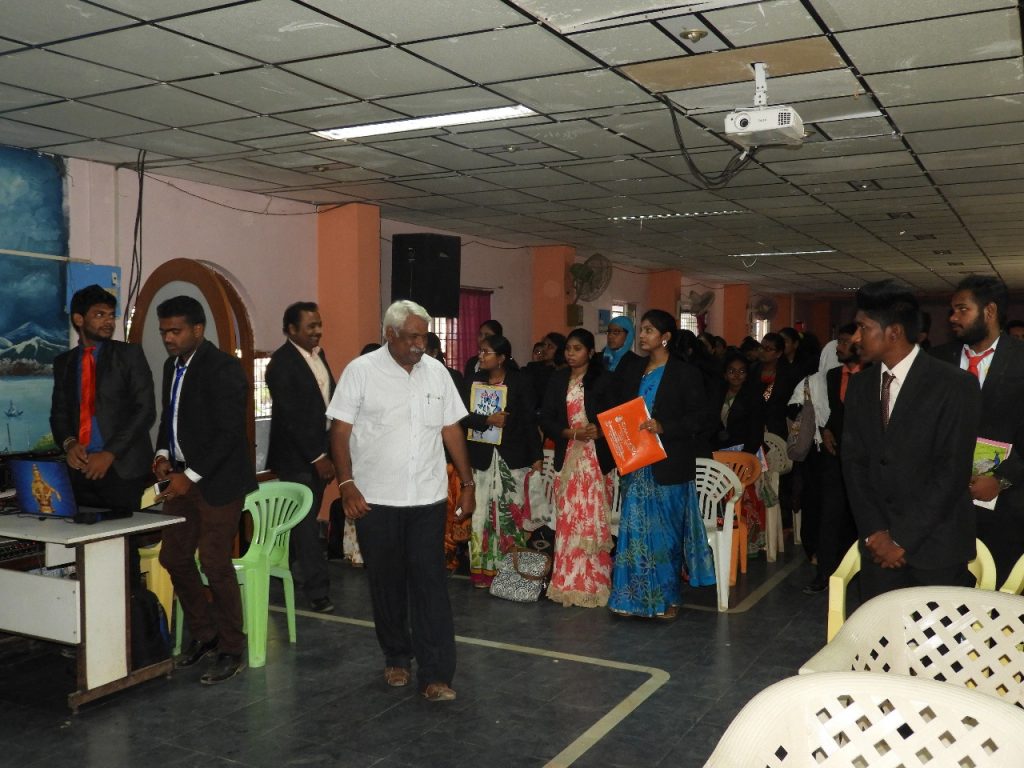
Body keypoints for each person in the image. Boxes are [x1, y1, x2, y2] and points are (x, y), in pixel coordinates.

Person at [327, 300, 475, 702]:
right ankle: (396, 655)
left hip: (427, 498)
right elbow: (340, 432)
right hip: (375, 500)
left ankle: (437, 674)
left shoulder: (437, 373)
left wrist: (467, 483)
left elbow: (451, 429)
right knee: (387, 583)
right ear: (389, 334)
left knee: (431, 585)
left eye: (424, 337)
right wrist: (346, 484)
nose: (419, 344)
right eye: (412, 336)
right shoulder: (361, 372)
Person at [842, 280, 980, 603]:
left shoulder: (954, 385)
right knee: (882, 634)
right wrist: (876, 533)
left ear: (894, 332)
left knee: (938, 635)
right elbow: (853, 464)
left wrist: (901, 539)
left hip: (937, 548)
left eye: (863, 328)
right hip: (878, 552)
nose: (856, 338)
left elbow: (951, 472)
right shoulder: (861, 386)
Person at [154, 295, 257, 685]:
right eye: (164, 332)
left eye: (176, 331)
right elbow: (170, 418)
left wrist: (191, 475)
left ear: (198, 329)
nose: (169, 338)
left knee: (214, 561)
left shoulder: (224, 369)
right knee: (173, 557)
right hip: (182, 478)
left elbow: (229, 433)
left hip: (219, 482)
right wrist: (163, 454)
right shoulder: (171, 367)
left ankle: (232, 647)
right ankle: (205, 634)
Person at [609, 310, 716, 619]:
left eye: (648, 330)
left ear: (665, 337)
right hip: (637, 464)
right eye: (641, 330)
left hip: (669, 464)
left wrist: (664, 426)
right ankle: (629, 598)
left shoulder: (684, 373)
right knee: (634, 532)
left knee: (665, 536)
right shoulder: (633, 370)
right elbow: (620, 408)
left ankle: (668, 599)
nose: (642, 336)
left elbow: (700, 417)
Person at [931, 276, 1024, 584]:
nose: (952, 317)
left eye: (962, 309)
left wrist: (1001, 479)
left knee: (995, 594)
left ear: (989, 311)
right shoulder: (935, 361)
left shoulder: (1020, 360)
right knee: (944, 594)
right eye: (952, 310)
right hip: (943, 507)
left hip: (1004, 508)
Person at [50, 284, 155, 517]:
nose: (108, 322)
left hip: (122, 468)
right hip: (80, 469)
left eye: (110, 315)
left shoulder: (129, 355)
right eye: (99, 315)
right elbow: (59, 414)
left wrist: (109, 453)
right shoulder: (64, 363)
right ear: (79, 319)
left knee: (125, 536)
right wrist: (69, 444)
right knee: (82, 534)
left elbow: (145, 410)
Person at [266, 301, 335, 614]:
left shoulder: (319, 356)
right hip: (297, 457)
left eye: (319, 325)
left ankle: (282, 567)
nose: (317, 331)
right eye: (311, 326)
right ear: (291, 329)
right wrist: (318, 456)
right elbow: (292, 417)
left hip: (322, 450)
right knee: (306, 524)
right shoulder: (281, 364)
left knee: (300, 520)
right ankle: (318, 590)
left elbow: (327, 402)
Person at [540, 329, 615, 608]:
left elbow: (616, 416)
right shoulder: (557, 379)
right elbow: (546, 418)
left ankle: (594, 585)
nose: (571, 354)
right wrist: (572, 433)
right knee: (569, 519)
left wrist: (601, 430)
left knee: (591, 519)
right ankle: (566, 584)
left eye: (577, 349)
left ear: (591, 352)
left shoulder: (604, 380)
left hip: (595, 459)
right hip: (569, 456)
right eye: (568, 349)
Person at [463, 334, 542, 588]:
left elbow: (529, 421)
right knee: (481, 516)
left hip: (512, 456)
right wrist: (487, 420)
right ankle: (483, 572)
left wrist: (536, 456)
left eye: (486, 352)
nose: (481, 356)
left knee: (510, 515)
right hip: (481, 457)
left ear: (501, 357)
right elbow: (461, 416)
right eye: (480, 351)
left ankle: (510, 574)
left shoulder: (520, 381)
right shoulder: (473, 381)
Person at [804, 322, 862, 594]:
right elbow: (835, 412)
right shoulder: (833, 376)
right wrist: (826, 430)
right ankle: (825, 572)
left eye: (845, 342)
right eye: (839, 341)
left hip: (863, 457)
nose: (839, 347)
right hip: (835, 454)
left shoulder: (874, 375)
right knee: (829, 514)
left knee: (858, 516)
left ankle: (860, 573)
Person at [425, 332, 467, 572]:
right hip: (425, 459)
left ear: (433, 352)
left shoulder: (450, 377)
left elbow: (455, 422)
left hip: (447, 458)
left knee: (449, 510)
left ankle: (448, 556)